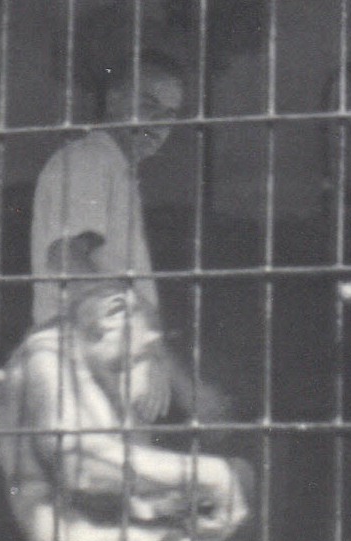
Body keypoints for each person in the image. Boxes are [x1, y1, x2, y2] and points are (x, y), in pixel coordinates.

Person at [0, 281, 254, 541]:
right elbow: (80, 463)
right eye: (138, 354)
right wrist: (208, 475)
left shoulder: (78, 366)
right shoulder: (47, 358)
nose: (133, 368)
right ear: (113, 313)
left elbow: (108, 471)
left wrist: (181, 495)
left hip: (103, 537)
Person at [31, 49, 214, 425]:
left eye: (169, 116)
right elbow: (67, 259)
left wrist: (179, 381)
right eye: (147, 105)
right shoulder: (89, 160)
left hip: (104, 368)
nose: (158, 125)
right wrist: (140, 352)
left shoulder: (116, 171)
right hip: (84, 367)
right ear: (114, 100)